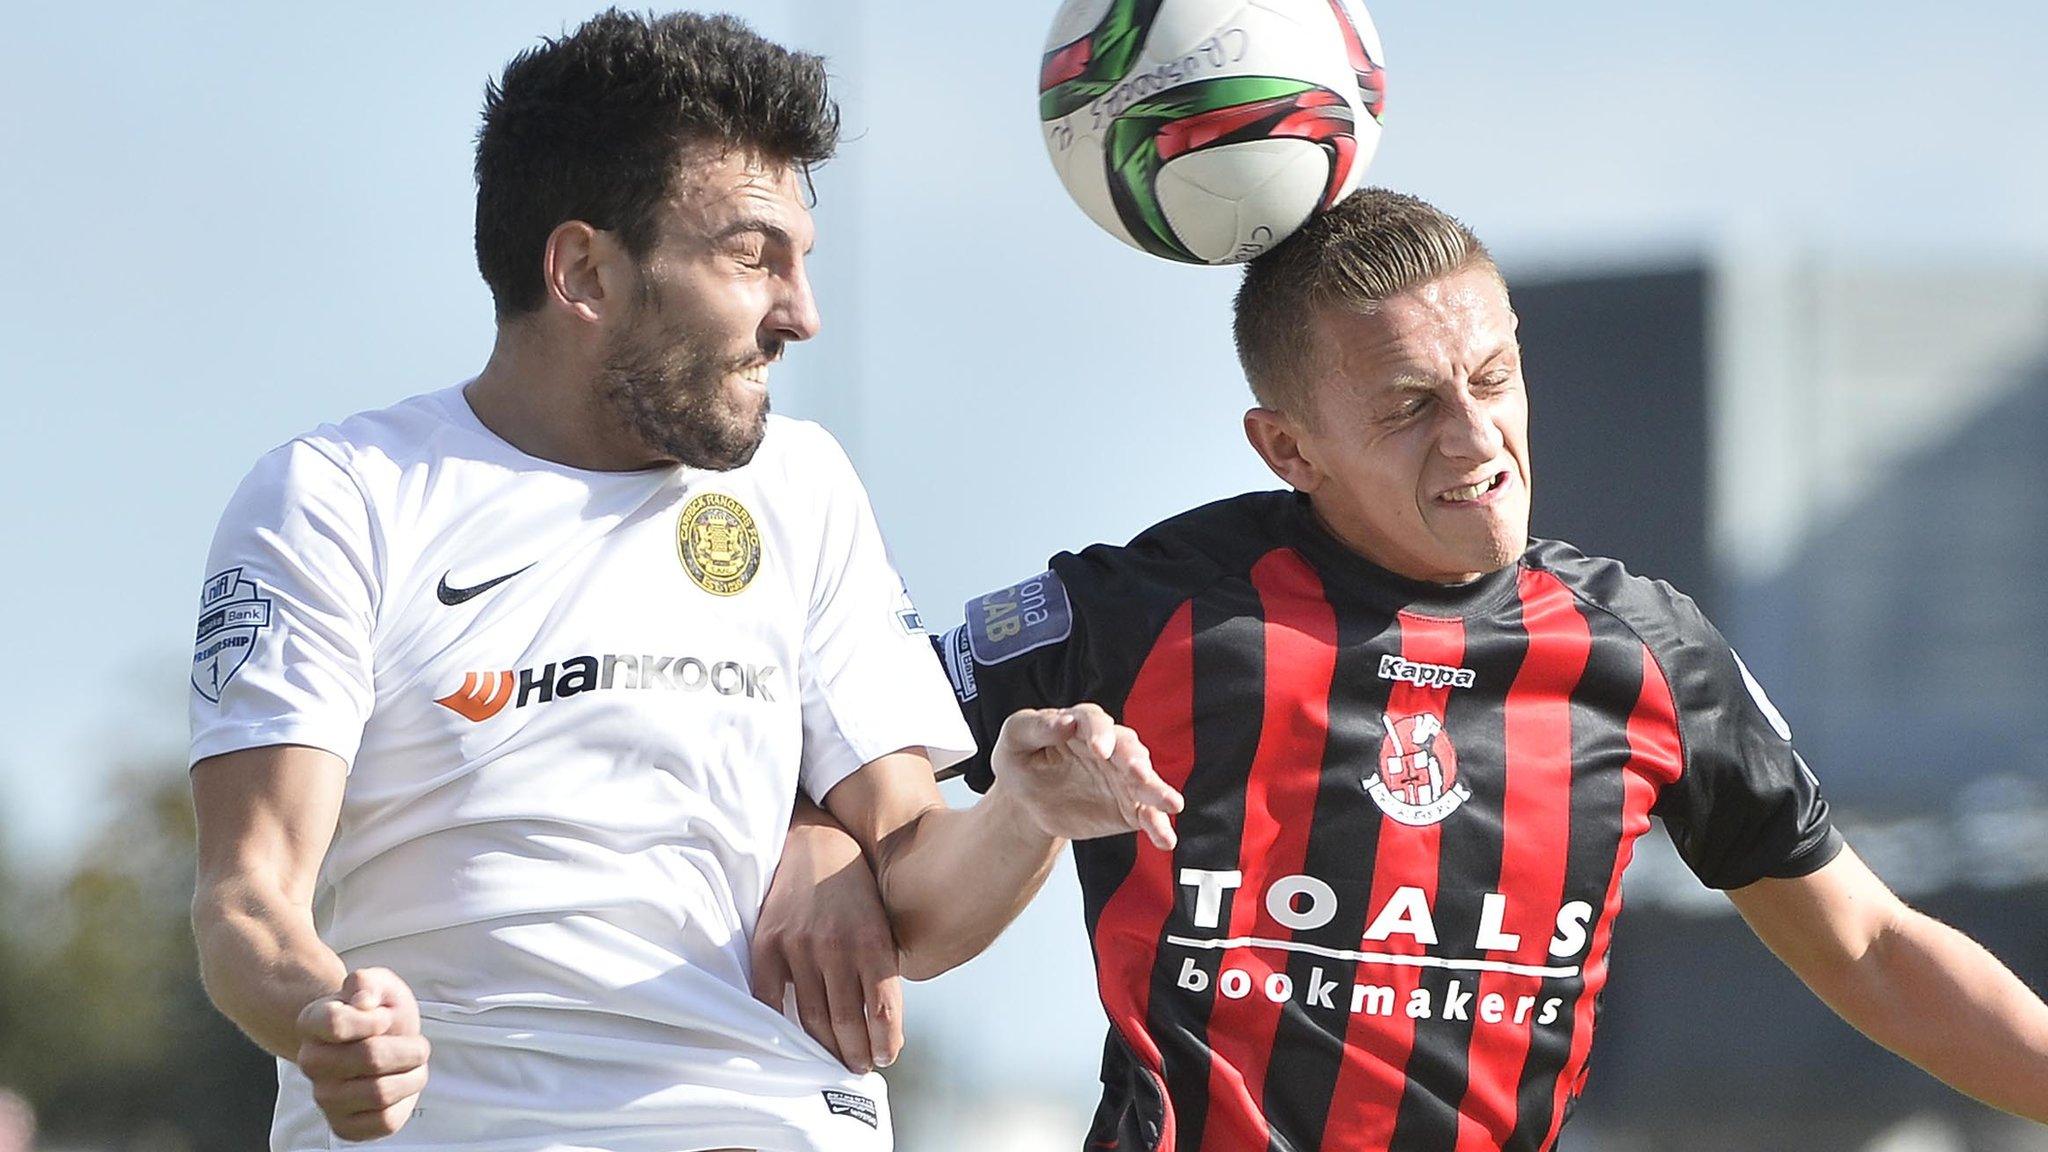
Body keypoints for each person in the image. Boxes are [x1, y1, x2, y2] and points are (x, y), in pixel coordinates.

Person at [186, 12, 1179, 1152]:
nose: (800, 314)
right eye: (753, 257)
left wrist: (1022, 812)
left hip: (771, 1118)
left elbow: (914, 884)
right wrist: (324, 1016)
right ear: (584, 271)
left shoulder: (802, 484)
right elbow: (246, 900)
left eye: (801, 261)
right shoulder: (341, 493)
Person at [888, 187, 2048, 1149]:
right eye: (1408, 406)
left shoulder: (1647, 652)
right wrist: (839, 860)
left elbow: (1872, 949)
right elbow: (836, 736)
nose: (1473, 438)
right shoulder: (1142, 607)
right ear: (1286, 447)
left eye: (1491, 380)